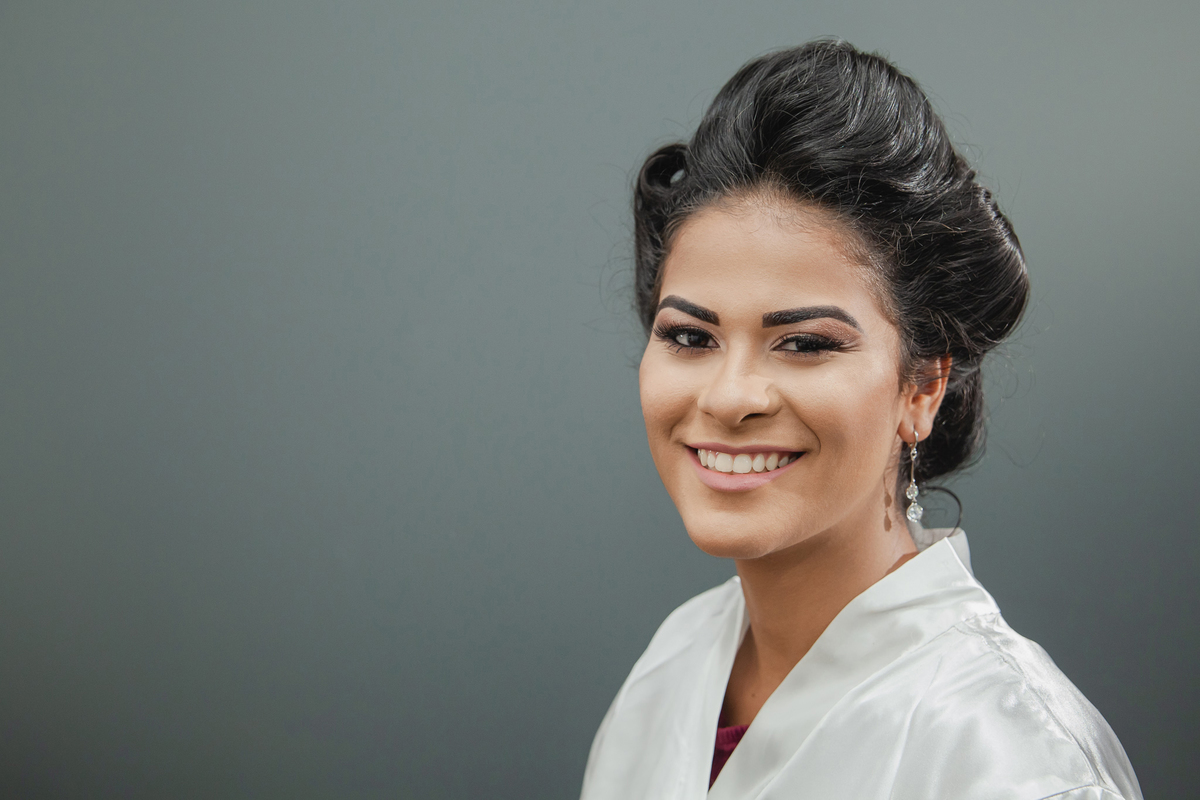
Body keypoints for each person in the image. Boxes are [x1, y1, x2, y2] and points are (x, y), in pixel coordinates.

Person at [579, 41, 1142, 800]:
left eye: (805, 343)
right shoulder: (671, 667)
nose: (729, 395)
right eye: (690, 337)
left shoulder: (1009, 758)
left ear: (922, 386)